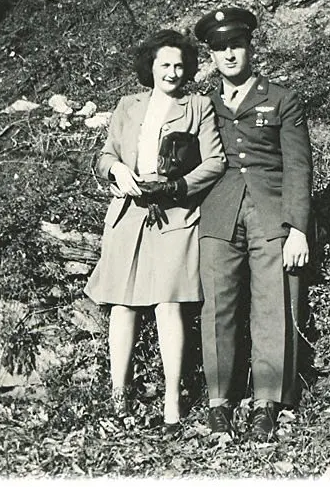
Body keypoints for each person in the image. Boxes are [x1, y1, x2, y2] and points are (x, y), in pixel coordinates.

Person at [84, 29, 226, 433]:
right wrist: (116, 170)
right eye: (164, 64)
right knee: (122, 305)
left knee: (168, 304)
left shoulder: (198, 106)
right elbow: (105, 154)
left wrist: (178, 187)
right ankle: (118, 397)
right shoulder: (129, 106)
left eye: (180, 65)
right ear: (150, 66)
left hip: (174, 215)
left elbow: (214, 162)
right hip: (128, 214)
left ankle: (171, 402)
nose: (172, 72)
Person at [194, 7, 313, 440]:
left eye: (236, 45)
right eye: (220, 48)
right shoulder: (202, 104)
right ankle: (218, 402)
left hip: (270, 211)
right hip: (218, 212)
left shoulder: (281, 98)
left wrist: (297, 227)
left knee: (273, 305)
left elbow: (298, 166)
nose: (229, 54)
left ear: (249, 47)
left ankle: (267, 402)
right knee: (217, 308)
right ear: (211, 56)